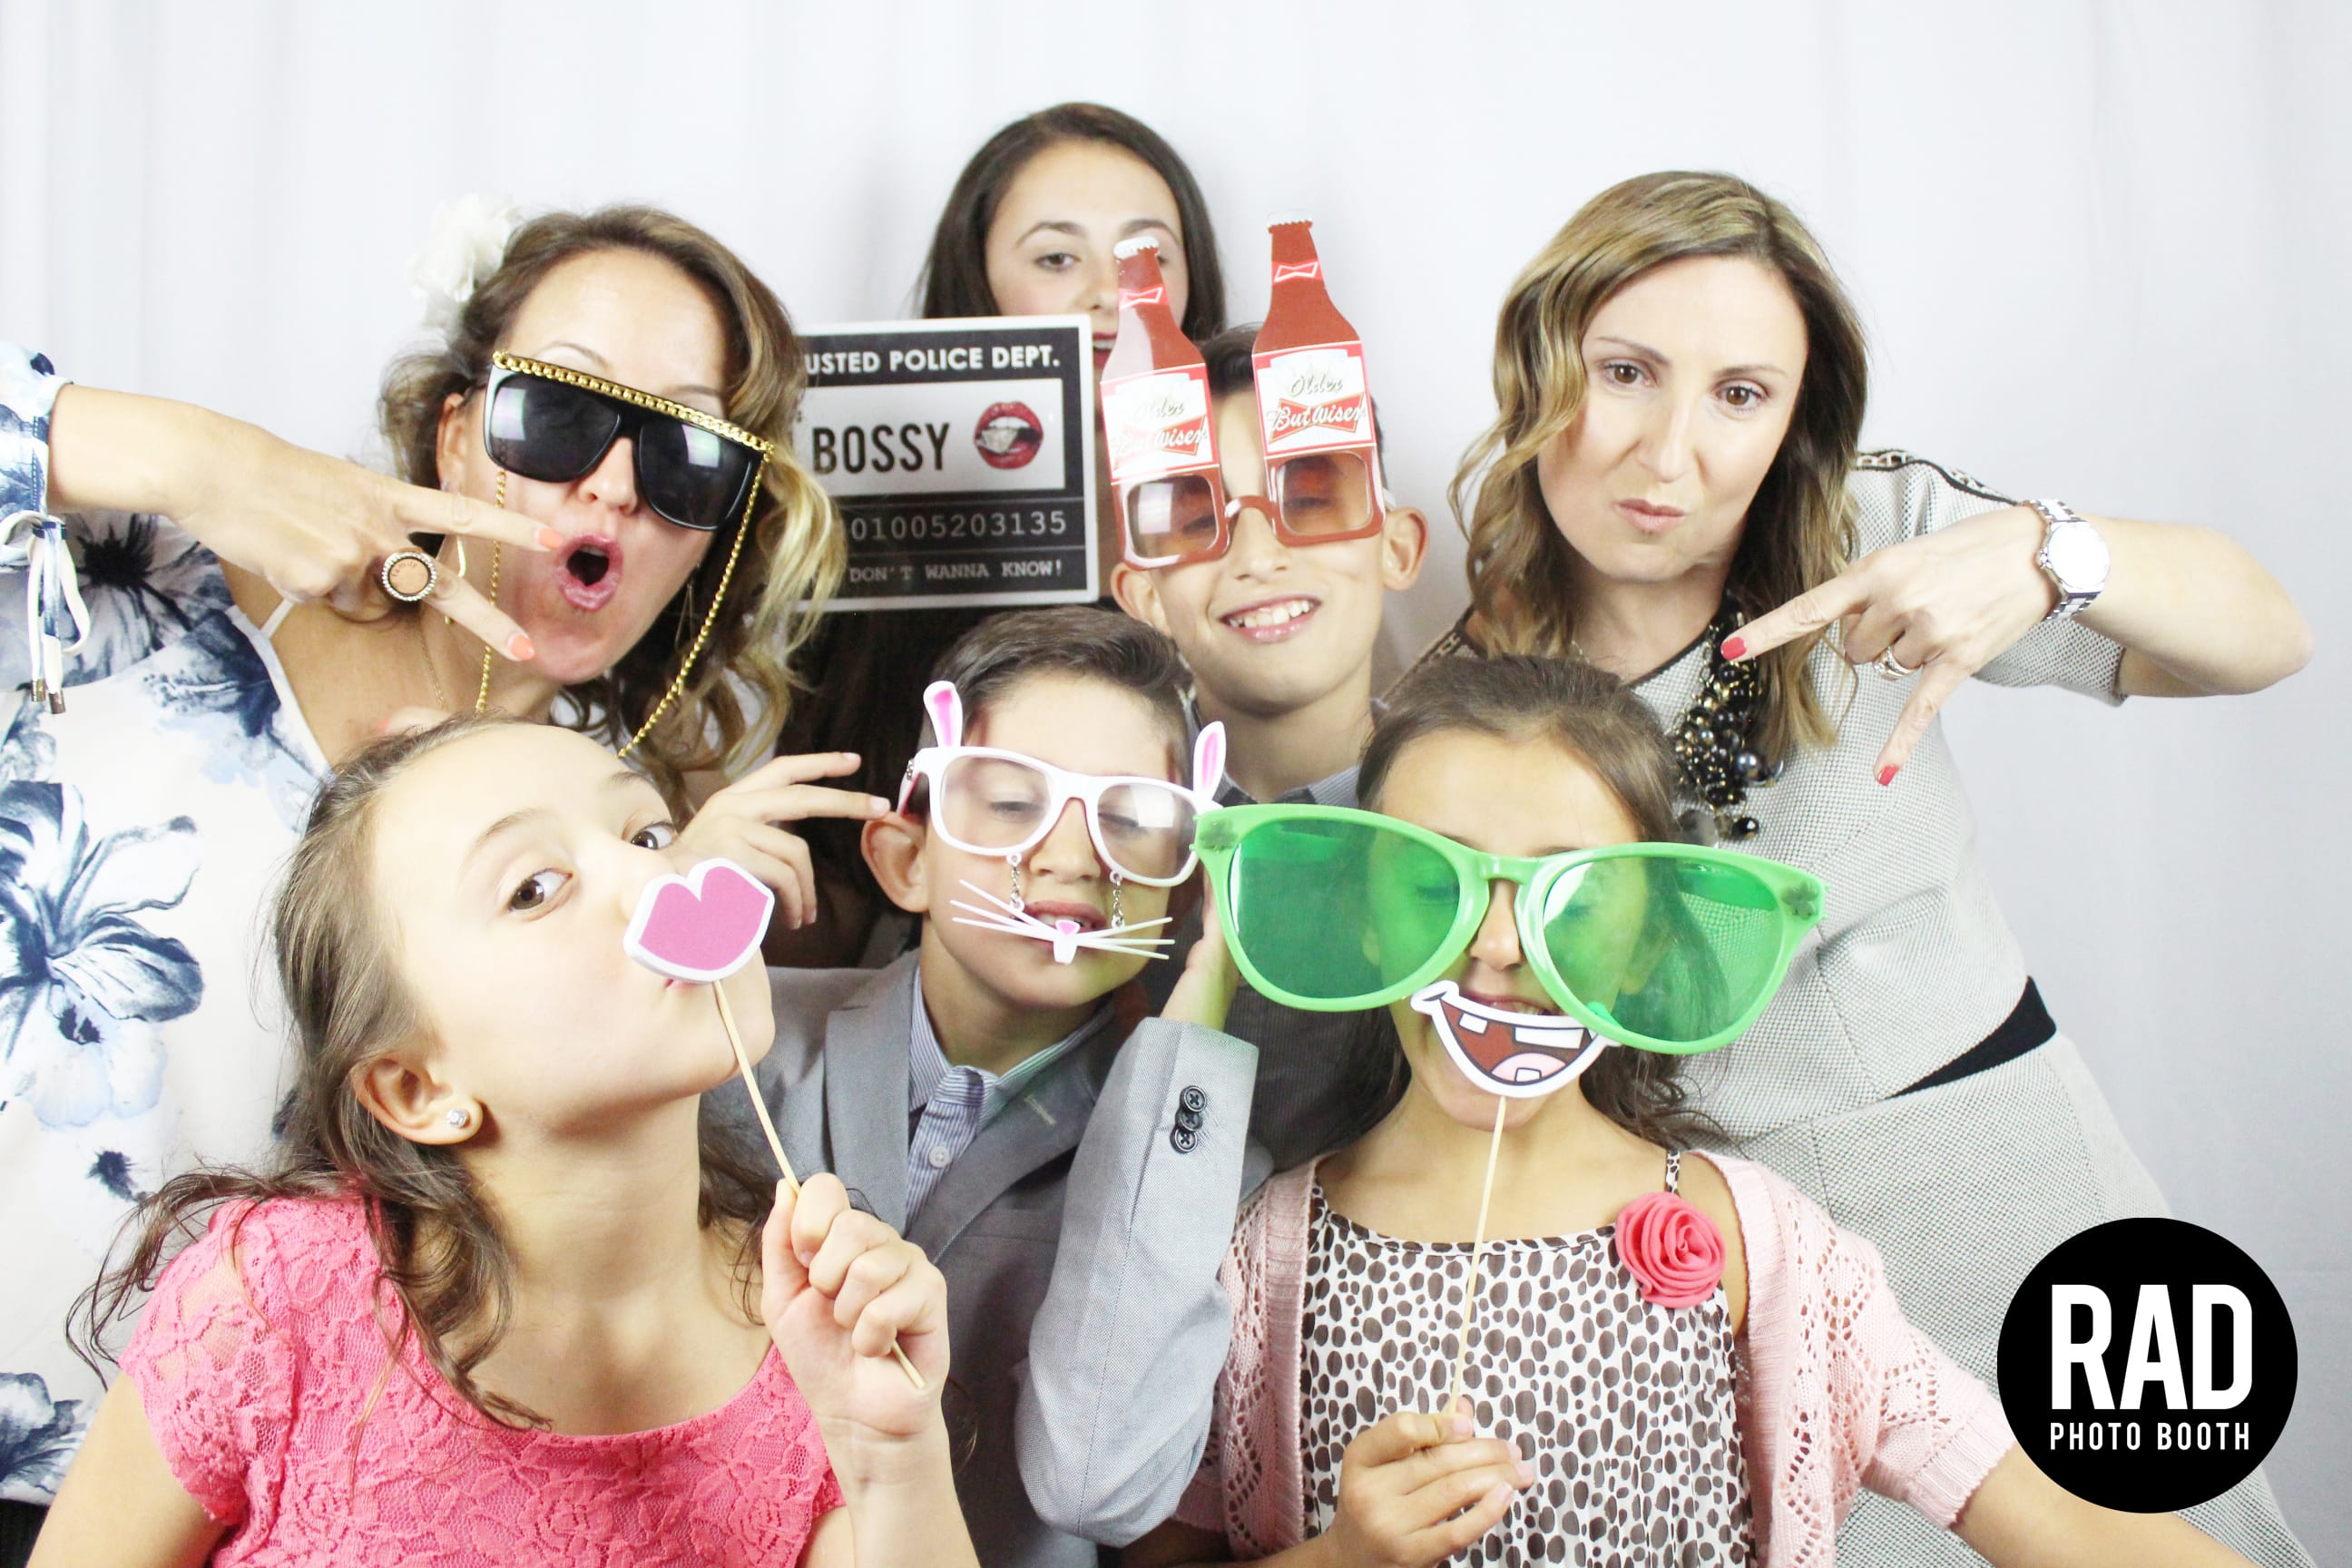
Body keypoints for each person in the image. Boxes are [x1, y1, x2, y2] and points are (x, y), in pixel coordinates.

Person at [1426, 170, 2312, 1563]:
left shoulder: (1876, 542)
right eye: (1625, 372)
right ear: (1540, 367)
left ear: (1795, 422)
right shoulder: (1462, 705)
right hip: (1719, 1259)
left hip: (2006, 1183)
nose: (1668, 453)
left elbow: (2267, 639)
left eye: (1740, 395)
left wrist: (2048, 554)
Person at [0, 204, 867, 1559]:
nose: (614, 487)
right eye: (562, 414)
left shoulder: (620, 837)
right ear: (457, 432)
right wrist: (204, 458)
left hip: (255, 1489)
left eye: (685, 455)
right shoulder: (158, 580)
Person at [1119, 655, 2260, 1568]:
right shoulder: (1252, 1260)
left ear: (1647, 940)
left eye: (1573, 897)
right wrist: (1341, 1560)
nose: (1498, 945)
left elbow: (2048, 1517)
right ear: (1365, 919)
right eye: (1434, 881)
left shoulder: (1767, 1250)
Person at [32, 716, 975, 1566]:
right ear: (418, 1088)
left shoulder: (817, 1336)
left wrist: (894, 1458)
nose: (658, 876)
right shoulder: (273, 1301)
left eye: (648, 836)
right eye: (533, 888)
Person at [734, 606, 1257, 1567]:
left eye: (1132, 819)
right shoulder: (743, 1043)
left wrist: (1199, 1008)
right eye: (1013, 802)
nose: (1072, 854)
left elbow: (1098, 1483)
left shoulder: (1200, 1162)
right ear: (905, 860)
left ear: (1186, 891)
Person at [775, 103, 1228, 967]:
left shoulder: (1259, 524)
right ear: (977, 287)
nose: (1109, 293)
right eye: (1057, 258)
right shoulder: (877, 546)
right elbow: (825, 903)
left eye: (1147, 257)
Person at [1112, 318, 1427, 1171]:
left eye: (1311, 498)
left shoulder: (1475, 827)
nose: (1257, 556)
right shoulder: (1088, 827)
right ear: (1143, 594)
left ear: (1398, 546)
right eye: (1194, 518)